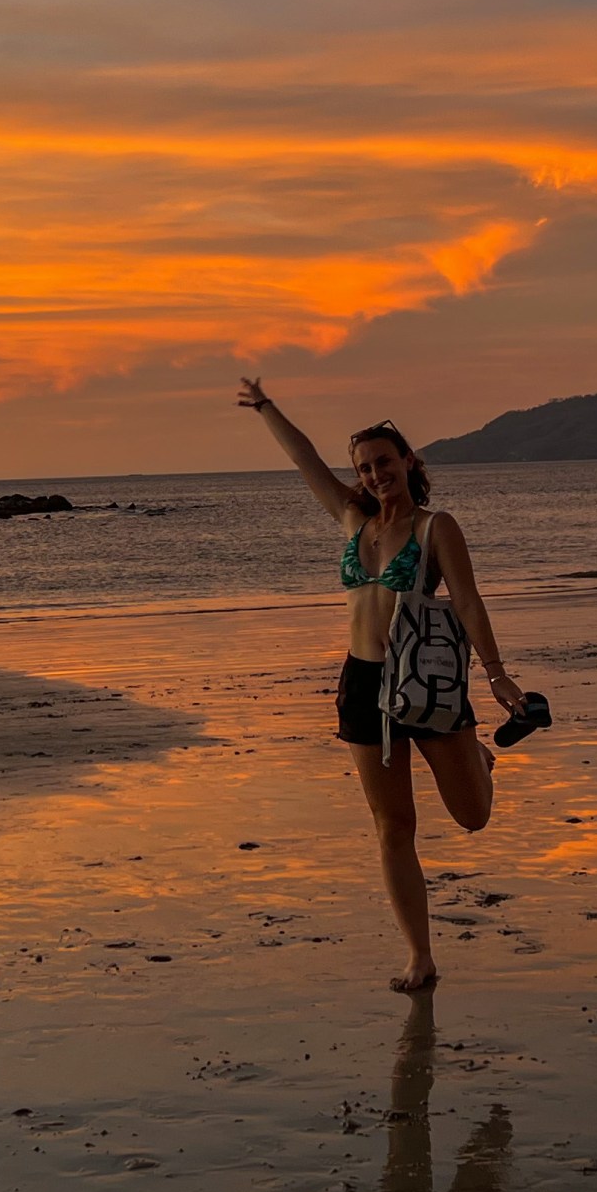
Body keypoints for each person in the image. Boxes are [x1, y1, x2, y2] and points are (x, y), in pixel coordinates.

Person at [238, 377, 531, 993]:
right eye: (365, 467)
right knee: (392, 827)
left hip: (425, 683)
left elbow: (470, 606)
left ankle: (476, 756)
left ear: (408, 463)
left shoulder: (436, 528)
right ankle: (419, 955)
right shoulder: (351, 518)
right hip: (362, 682)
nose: (374, 474)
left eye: (384, 462)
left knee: (472, 818)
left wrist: (499, 675)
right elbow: (304, 459)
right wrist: (266, 407)